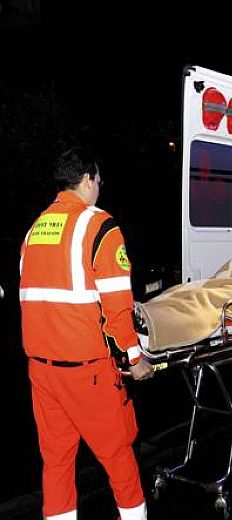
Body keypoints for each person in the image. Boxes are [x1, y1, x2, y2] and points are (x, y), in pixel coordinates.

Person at [19, 147, 154, 520]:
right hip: (86, 371)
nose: (100, 187)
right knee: (118, 455)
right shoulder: (99, 226)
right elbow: (117, 306)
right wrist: (135, 358)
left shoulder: (35, 229)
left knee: (57, 461)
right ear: (86, 179)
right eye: (98, 180)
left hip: (41, 370)